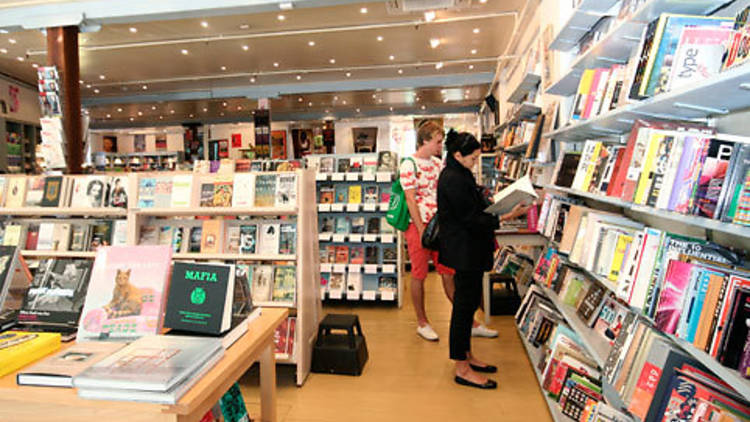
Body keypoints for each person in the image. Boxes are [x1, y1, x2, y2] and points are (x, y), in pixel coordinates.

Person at [438, 130, 531, 389]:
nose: (476, 162)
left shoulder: (459, 173)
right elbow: (469, 218)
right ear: (457, 155)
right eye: (473, 157)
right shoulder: (453, 178)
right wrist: (505, 216)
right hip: (464, 251)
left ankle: (467, 356)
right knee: (462, 308)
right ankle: (461, 367)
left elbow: (473, 209)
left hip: (470, 250)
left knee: (467, 307)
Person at [401, 121, 496, 341]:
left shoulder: (438, 164)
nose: (440, 145)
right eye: (436, 141)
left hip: (441, 225)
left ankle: (468, 321)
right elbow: (410, 199)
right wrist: (422, 229)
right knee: (418, 274)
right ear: (424, 140)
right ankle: (422, 322)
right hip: (419, 228)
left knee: (448, 272)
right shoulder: (408, 164)